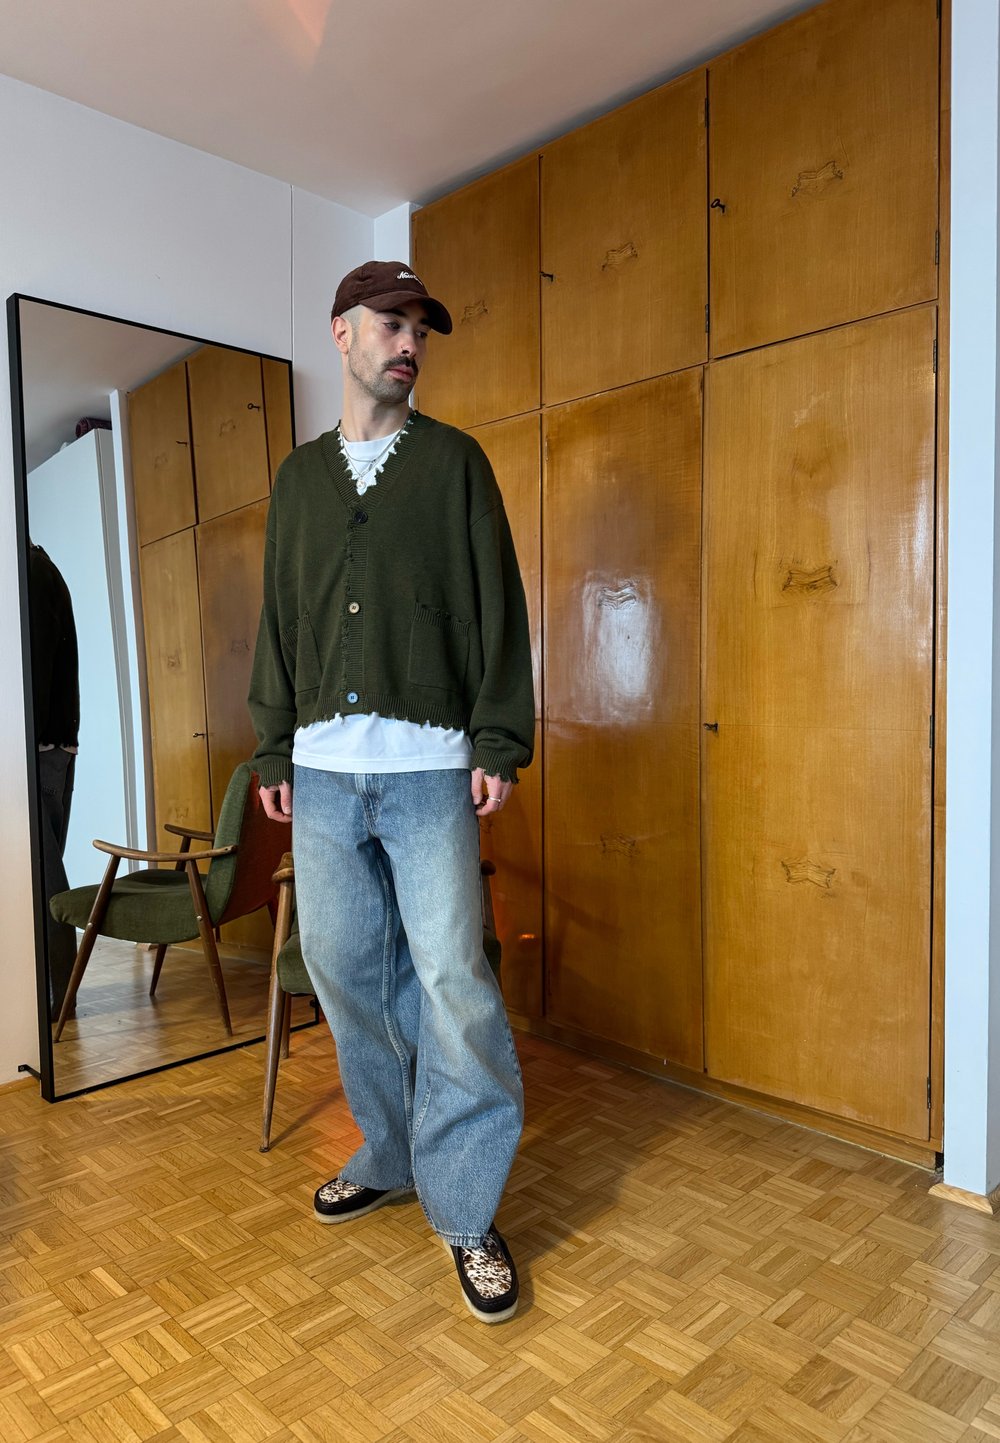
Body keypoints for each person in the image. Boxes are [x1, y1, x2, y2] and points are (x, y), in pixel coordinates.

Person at [248, 261, 535, 1323]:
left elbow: (495, 604)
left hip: (426, 773)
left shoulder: (455, 465)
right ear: (341, 334)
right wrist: (273, 749)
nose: (409, 342)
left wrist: (497, 736)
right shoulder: (298, 480)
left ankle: (465, 1211)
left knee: (453, 981)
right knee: (342, 970)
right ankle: (390, 1151)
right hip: (321, 775)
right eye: (390, 322)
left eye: (421, 327)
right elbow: (278, 617)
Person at [28, 542, 80, 1016]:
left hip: (41, 748)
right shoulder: (42, 565)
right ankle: (53, 995)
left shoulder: (30, 568)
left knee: (42, 877)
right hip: (52, 745)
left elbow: (36, 667)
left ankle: (56, 1000)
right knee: (43, 873)